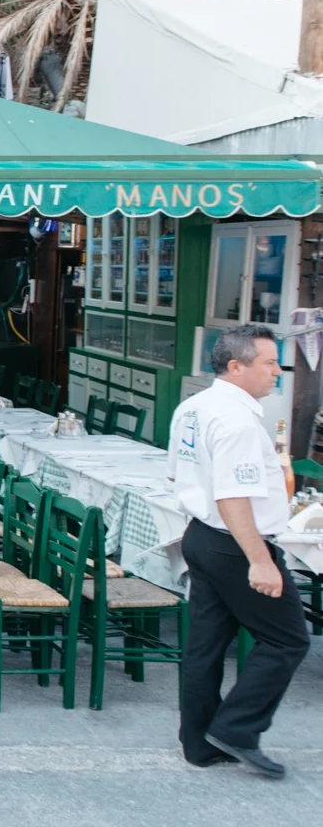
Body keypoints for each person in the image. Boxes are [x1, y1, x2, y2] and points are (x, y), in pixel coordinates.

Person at [170, 324, 308, 778]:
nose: (277, 373)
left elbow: (179, 475)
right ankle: (237, 728)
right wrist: (260, 560)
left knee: (206, 644)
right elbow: (233, 496)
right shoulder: (236, 421)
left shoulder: (193, 406)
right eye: (269, 363)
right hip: (236, 543)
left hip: (202, 536)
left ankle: (198, 742)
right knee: (288, 638)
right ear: (236, 366)